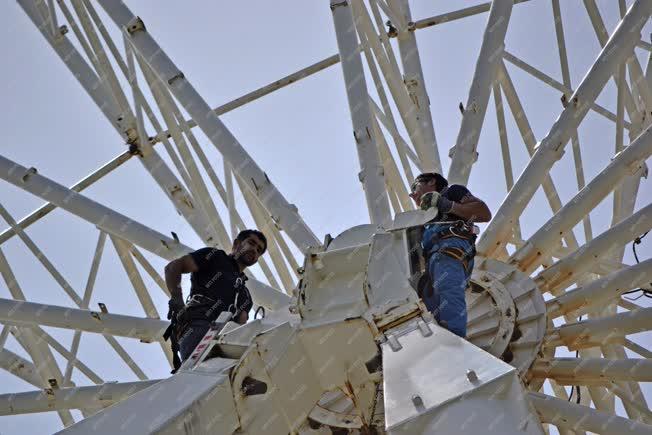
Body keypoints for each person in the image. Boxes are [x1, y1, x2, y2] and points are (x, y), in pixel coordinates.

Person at [164, 229, 267, 364]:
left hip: (226, 339)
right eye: (251, 243)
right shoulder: (215, 257)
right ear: (236, 244)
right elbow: (173, 267)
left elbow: (240, 326)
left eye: (259, 250)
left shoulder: (246, 296)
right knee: (202, 368)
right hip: (199, 326)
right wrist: (177, 300)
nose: (254, 250)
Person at [409, 173, 491, 337]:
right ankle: (439, 344)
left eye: (415, 187)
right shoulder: (425, 217)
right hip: (433, 261)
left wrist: (446, 205)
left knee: (448, 292)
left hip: (450, 250)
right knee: (430, 307)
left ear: (432, 181)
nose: (412, 194)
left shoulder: (452, 191)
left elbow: (483, 213)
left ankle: (455, 342)